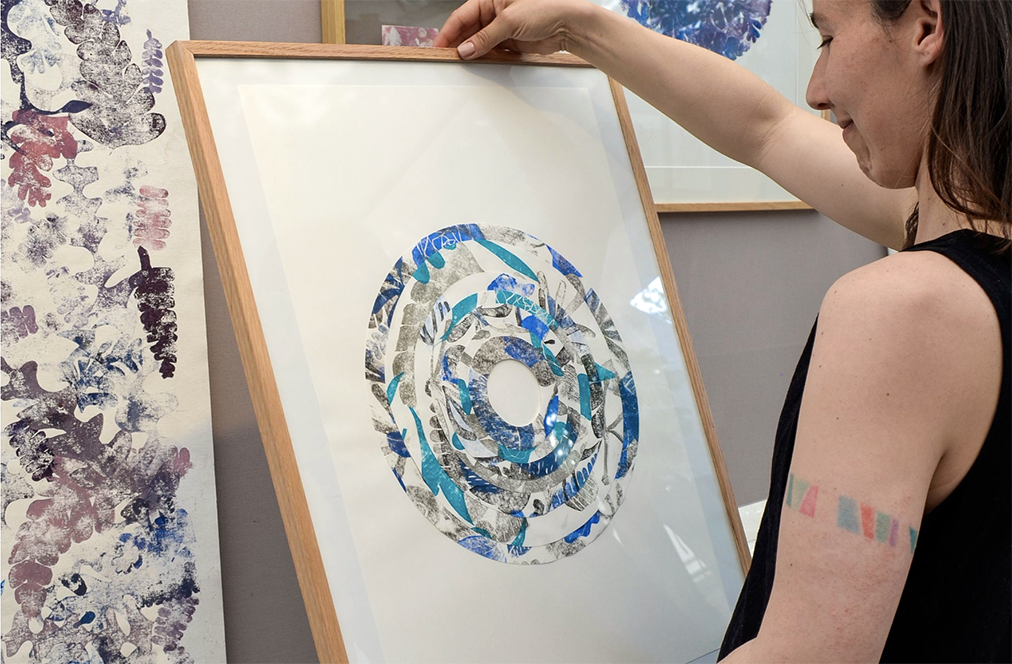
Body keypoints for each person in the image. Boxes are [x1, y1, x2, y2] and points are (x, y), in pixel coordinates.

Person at [436, 0, 1012, 661]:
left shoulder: (899, 310)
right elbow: (765, 128)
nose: (816, 89)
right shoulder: (968, 261)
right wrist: (576, 27)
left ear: (927, 27)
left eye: (826, 37)